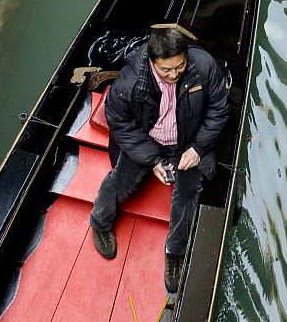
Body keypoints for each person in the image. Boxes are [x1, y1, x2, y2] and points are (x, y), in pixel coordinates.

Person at [90, 25, 229, 295]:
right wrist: (153, 160)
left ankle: (175, 253)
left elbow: (218, 110)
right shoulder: (130, 82)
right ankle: (99, 222)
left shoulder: (204, 66)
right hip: (148, 140)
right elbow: (119, 123)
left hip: (189, 141)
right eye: (166, 70)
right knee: (121, 181)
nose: (174, 74)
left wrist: (198, 149)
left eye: (179, 66)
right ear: (152, 62)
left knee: (188, 192)